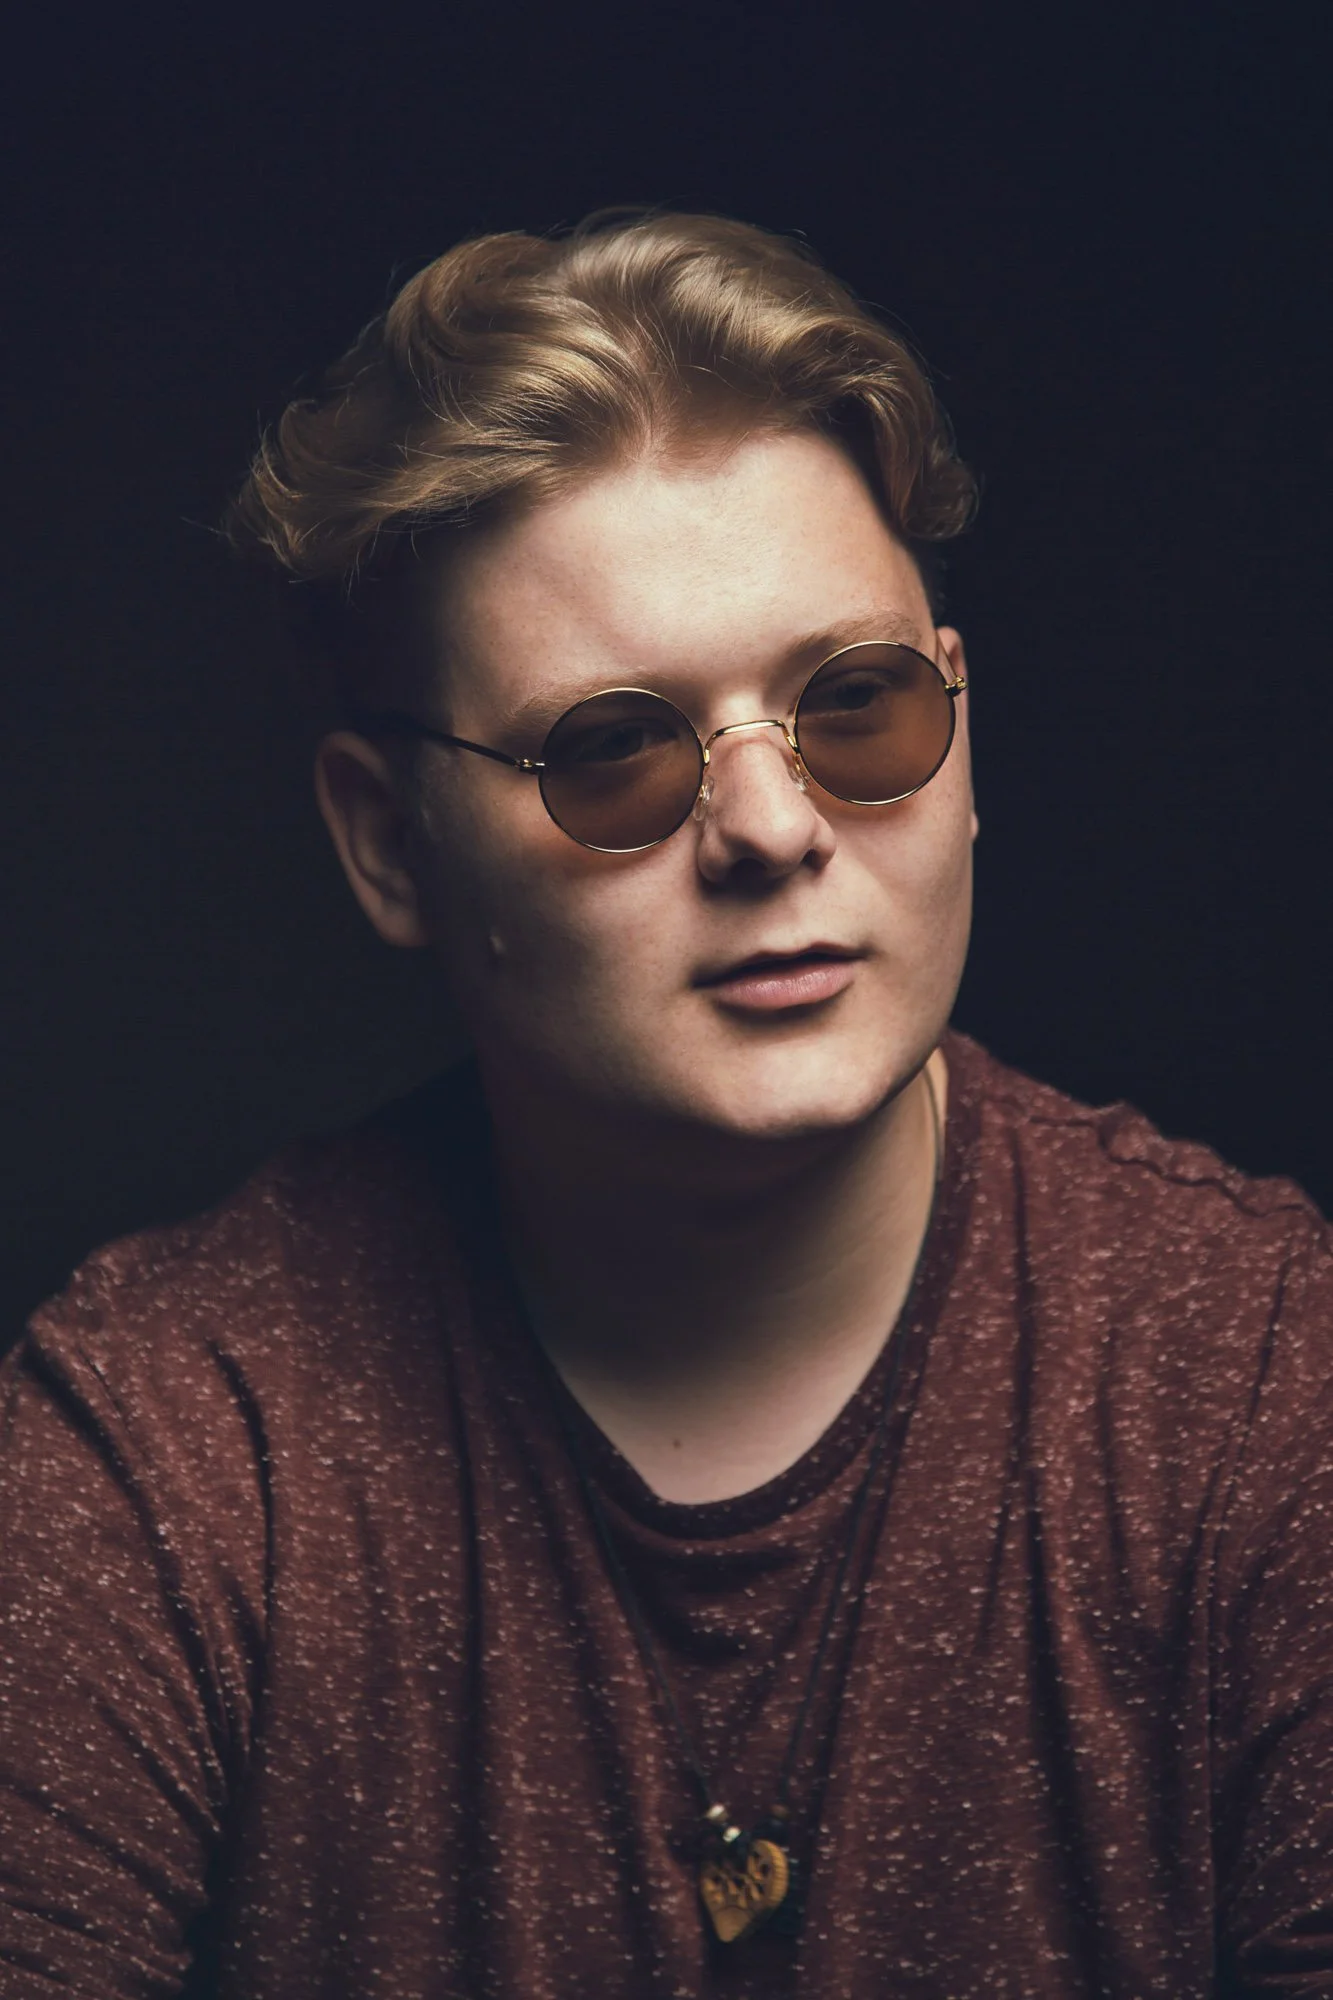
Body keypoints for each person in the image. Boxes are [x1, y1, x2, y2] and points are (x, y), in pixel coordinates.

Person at [1, 210, 1330, 2000]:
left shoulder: (1257, 1384)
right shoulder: (160, 1462)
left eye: (853, 708)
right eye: (613, 747)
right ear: (390, 844)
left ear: (962, 731)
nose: (776, 829)